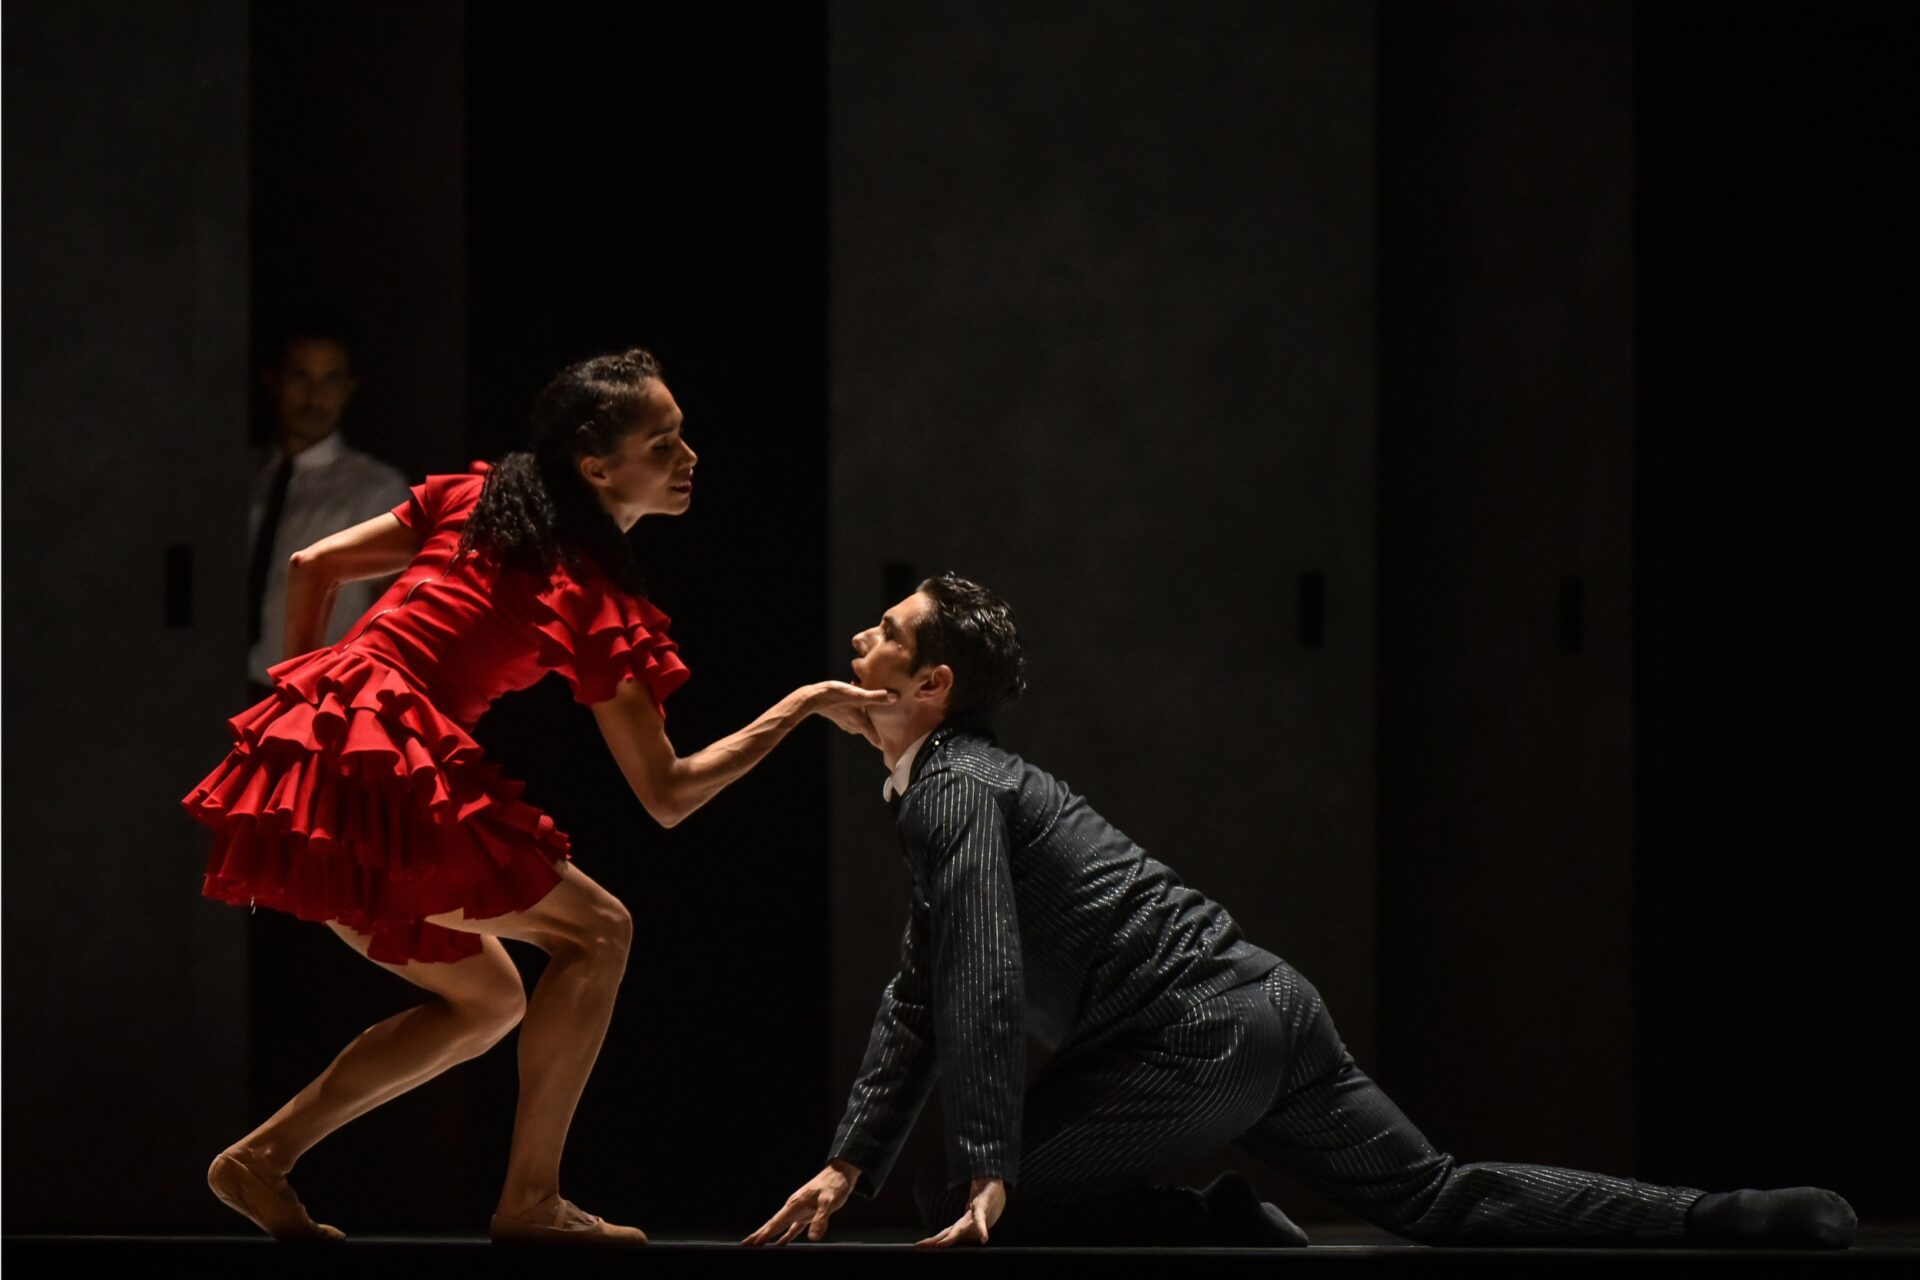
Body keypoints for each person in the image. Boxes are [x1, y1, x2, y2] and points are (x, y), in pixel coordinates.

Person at [747, 575, 1857, 1250]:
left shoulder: (952, 787)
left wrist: (990, 1161)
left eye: (884, 633)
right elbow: (921, 991)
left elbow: (980, 973)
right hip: (1272, 1006)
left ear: (929, 686)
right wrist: (848, 1163)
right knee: (1438, 1195)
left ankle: (1217, 1224)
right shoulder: (966, 789)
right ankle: (1718, 1214)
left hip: (1193, 1040)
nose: (858, 644)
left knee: (968, 1194)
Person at [186, 348, 891, 1245]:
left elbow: (310, 564)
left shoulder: (478, 500)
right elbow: (668, 794)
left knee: (488, 1001)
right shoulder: (586, 592)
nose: (689, 457)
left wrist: (308, 706)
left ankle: (259, 1159)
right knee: (600, 934)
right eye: (663, 443)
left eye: (681, 437)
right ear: (597, 468)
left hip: (315, 758)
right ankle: (529, 1202)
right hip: (380, 766)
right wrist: (805, 704)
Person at [247, 308, 411, 696]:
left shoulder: (375, 489)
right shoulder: (245, 475)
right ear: (273, 379)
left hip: (317, 694)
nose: (315, 395)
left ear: (349, 387)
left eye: (331, 379)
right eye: (300, 376)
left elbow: (394, 613)